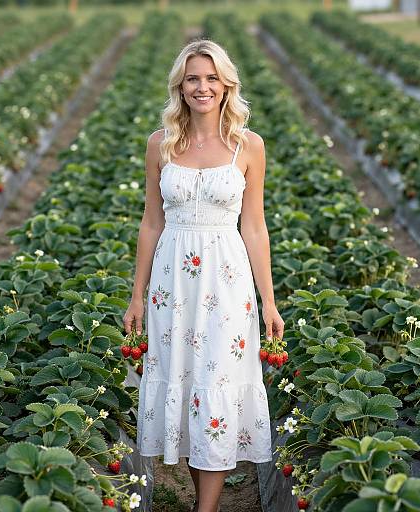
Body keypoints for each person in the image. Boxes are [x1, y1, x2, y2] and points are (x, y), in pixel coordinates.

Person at [123, 38, 285, 512]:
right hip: (171, 284)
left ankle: (206, 508)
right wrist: (137, 296)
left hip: (228, 281)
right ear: (180, 85)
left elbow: (254, 227)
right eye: (193, 78)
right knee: (188, 380)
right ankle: (201, 496)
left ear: (226, 85)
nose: (203, 87)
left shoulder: (248, 147)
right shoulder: (161, 144)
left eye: (212, 78)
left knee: (216, 381)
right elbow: (151, 222)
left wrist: (269, 301)